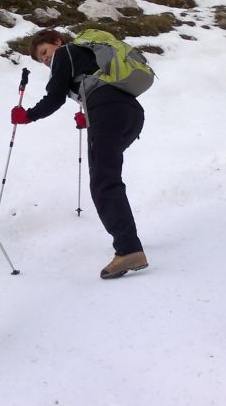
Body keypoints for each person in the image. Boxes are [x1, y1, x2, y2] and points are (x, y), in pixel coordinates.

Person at [12, 28, 148, 280]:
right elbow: (96, 85)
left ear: (57, 41)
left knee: (103, 182)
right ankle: (129, 239)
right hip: (131, 113)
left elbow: (54, 98)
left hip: (106, 109)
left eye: (44, 52)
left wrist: (28, 115)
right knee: (108, 175)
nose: (44, 60)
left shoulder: (65, 53)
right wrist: (89, 116)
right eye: (40, 59)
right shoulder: (87, 55)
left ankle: (129, 249)